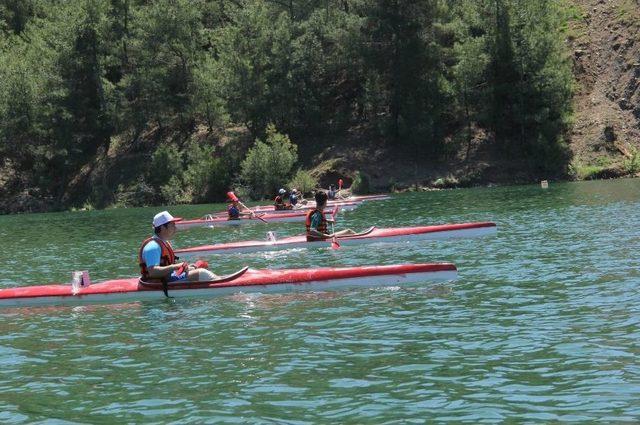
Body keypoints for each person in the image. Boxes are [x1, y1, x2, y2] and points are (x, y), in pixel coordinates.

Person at [139, 211, 217, 283]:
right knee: (202, 273)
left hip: (168, 277)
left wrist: (183, 268)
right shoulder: (153, 247)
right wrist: (175, 266)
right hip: (160, 283)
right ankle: (223, 285)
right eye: (172, 225)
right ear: (163, 228)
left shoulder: (164, 242)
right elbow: (153, 272)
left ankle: (216, 282)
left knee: (200, 265)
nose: (175, 228)